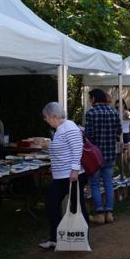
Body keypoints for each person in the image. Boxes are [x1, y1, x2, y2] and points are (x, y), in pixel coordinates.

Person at [39, 102, 88, 250]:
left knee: (77, 206)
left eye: (46, 117)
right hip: (61, 176)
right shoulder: (60, 129)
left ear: (52, 116)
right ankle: (55, 238)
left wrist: (74, 170)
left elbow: (77, 149)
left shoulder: (69, 127)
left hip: (71, 175)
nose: (45, 120)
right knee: (52, 204)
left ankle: (82, 238)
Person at [86, 89, 121, 225]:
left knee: (94, 184)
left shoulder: (91, 113)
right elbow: (119, 131)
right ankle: (109, 213)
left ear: (94, 99)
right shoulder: (114, 112)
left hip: (96, 157)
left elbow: (89, 134)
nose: (89, 101)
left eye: (90, 98)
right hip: (111, 154)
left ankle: (100, 214)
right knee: (108, 183)